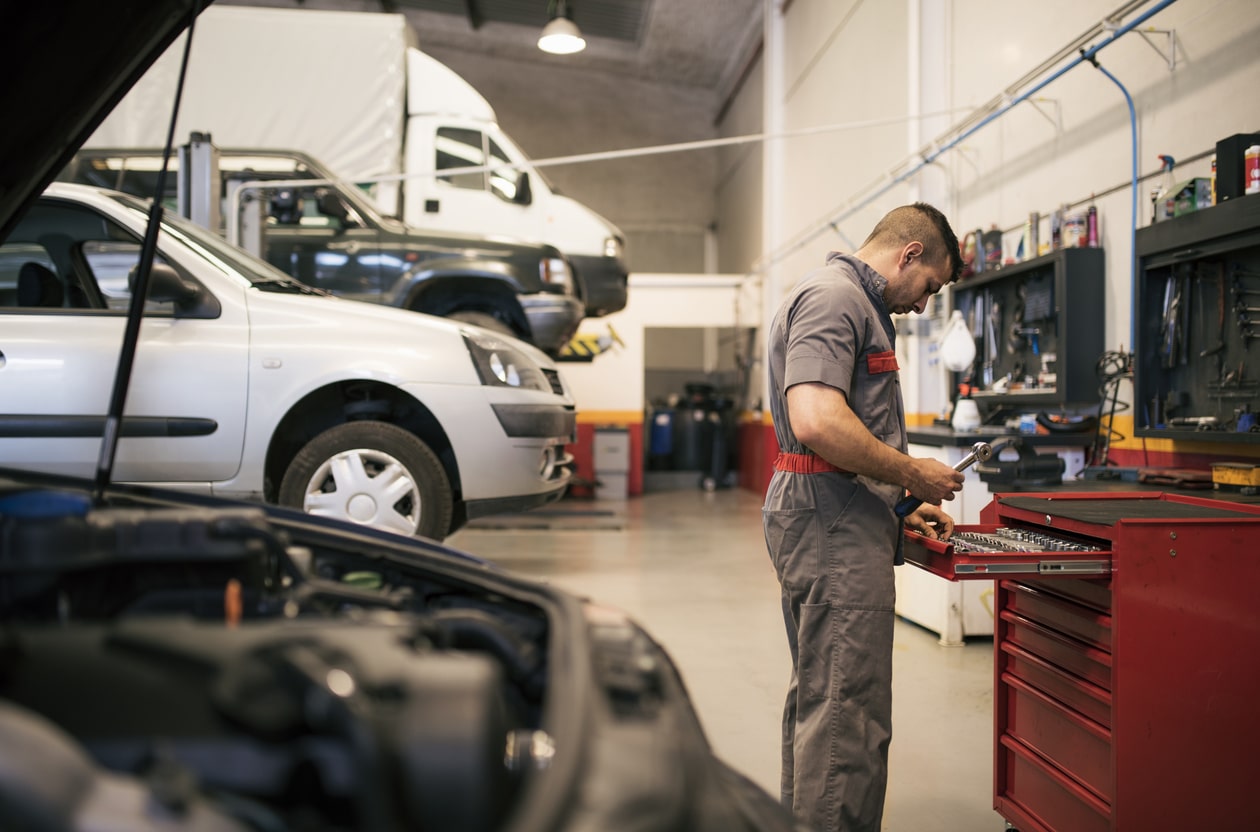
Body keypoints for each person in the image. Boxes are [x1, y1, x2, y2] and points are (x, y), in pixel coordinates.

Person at [762, 202, 966, 831]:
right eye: (930, 285)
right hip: (831, 527)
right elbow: (818, 421)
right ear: (909, 253)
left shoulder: (851, 303)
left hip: (836, 515)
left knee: (825, 705)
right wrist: (913, 473)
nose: (925, 303)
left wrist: (899, 512)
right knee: (848, 716)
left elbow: (841, 432)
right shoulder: (835, 299)